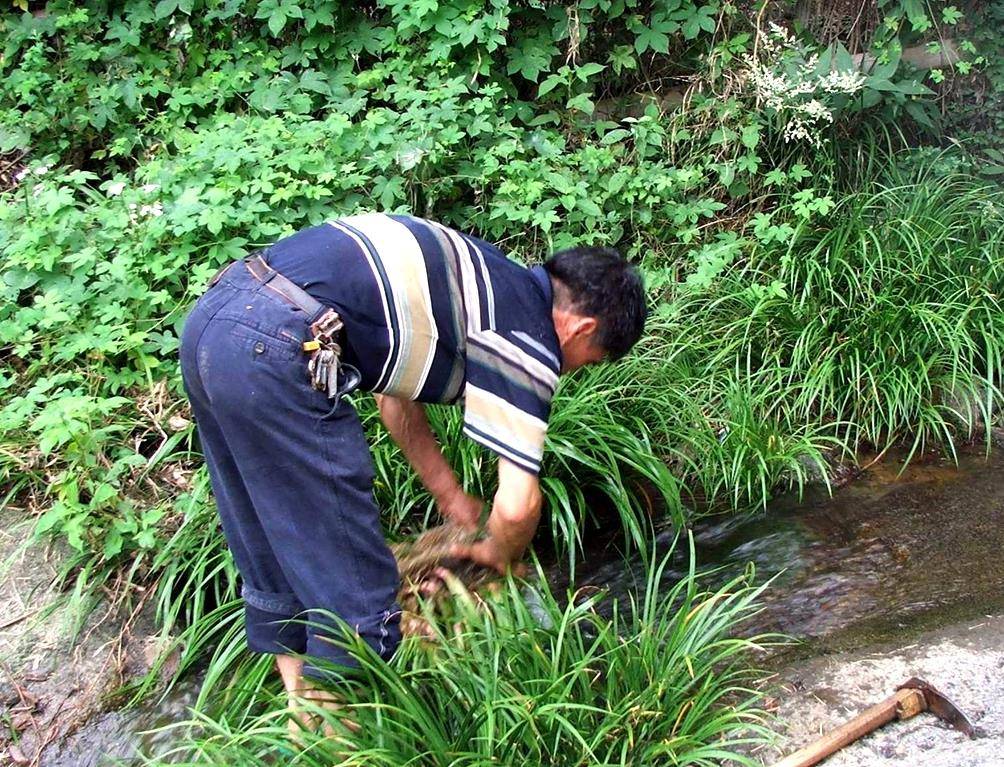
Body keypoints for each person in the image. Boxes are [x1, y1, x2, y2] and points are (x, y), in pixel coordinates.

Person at [178, 212, 646, 719]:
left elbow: (395, 402)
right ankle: (339, 740)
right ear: (583, 327)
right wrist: (498, 554)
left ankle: (302, 720)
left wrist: (451, 498)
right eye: (590, 359)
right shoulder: (528, 332)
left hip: (216, 320)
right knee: (355, 596)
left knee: (274, 550)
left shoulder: (483, 278)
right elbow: (517, 506)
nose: (574, 369)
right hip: (279, 341)